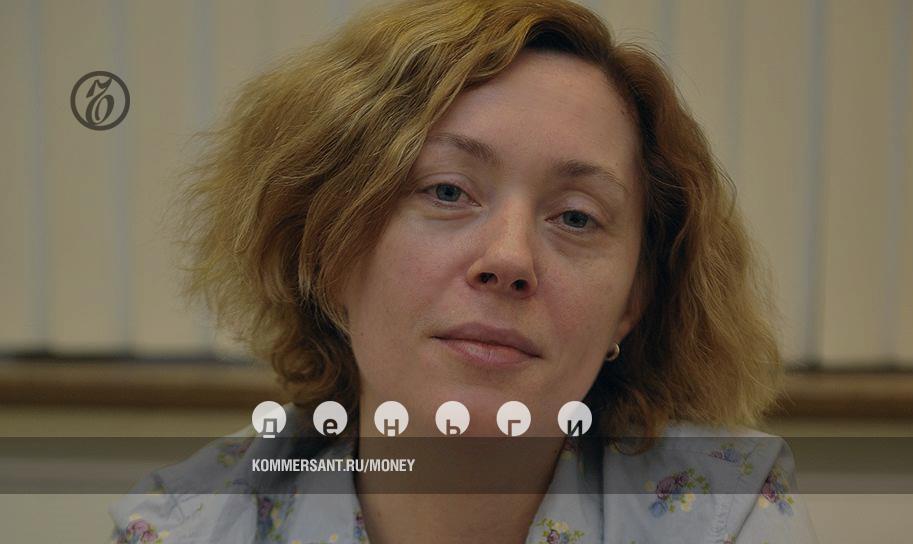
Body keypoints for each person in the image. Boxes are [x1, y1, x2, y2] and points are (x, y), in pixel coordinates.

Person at [109, 0, 818, 542]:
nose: (509, 260)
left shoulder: (722, 516)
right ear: (329, 249)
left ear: (633, 300)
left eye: (576, 218)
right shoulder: (187, 528)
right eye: (447, 191)